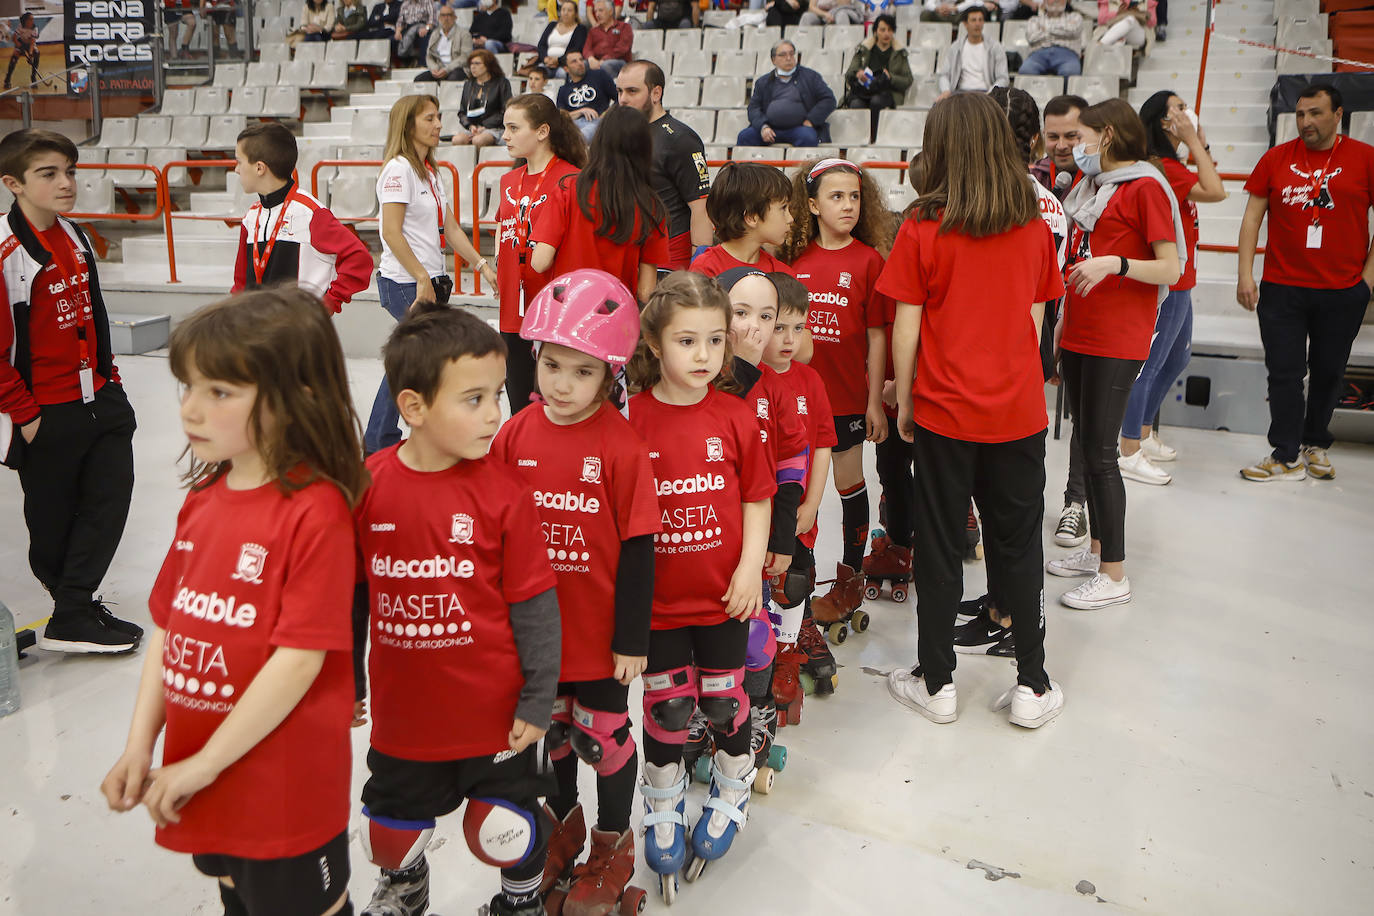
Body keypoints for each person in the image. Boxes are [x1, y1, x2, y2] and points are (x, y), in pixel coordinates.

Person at [100, 288, 367, 916]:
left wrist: (205, 765)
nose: (191, 409)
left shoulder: (316, 511)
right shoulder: (203, 500)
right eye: (187, 387)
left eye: (219, 392)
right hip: (203, 769)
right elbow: (168, 628)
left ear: (295, 397)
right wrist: (142, 744)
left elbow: (298, 660)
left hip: (280, 786)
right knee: (237, 900)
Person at [353, 305, 560, 916]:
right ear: (413, 408)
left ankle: (521, 899)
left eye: (497, 394)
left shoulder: (503, 493)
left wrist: (537, 699)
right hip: (405, 716)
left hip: (495, 716)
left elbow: (535, 605)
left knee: (507, 829)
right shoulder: (368, 486)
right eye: (473, 399)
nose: (495, 413)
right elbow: (352, 592)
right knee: (388, 832)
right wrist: (341, 676)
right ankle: (406, 884)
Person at [876, 93, 1065, 728]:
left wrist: (903, 393)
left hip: (944, 411)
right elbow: (1036, 327)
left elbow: (907, 329)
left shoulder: (922, 229)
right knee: (1018, 544)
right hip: (1017, 411)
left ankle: (937, 683)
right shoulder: (1036, 230)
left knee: (939, 542)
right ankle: (1033, 685)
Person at [489, 269, 660, 913]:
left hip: (599, 635)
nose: (562, 384)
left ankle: (614, 844)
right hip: (537, 634)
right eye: (552, 364)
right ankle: (564, 826)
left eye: (582, 372)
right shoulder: (514, 435)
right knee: (551, 734)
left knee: (603, 738)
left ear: (610, 374)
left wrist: (631, 641)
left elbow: (641, 549)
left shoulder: (620, 445)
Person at [626, 271, 775, 897]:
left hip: (723, 598)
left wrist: (748, 570)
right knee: (667, 708)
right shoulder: (630, 418)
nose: (705, 355)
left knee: (721, 700)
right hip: (657, 605)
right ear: (656, 345)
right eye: (688, 341)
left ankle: (734, 776)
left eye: (716, 341)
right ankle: (661, 798)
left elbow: (759, 499)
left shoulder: (735, 417)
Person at [0, 129, 141, 653]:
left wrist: (113, 383)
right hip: (45, 411)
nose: (67, 184)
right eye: (49, 174)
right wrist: (26, 414)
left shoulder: (76, 235)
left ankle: (75, 609)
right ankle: (71, 610)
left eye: (71, 172)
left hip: (99, 399)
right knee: (52, 521)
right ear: (13, 183)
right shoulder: (6, 251)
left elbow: (96, 317)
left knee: (108, 501)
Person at [1051, 98, 1182, 609]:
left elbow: (1169, 268)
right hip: (1082, 331)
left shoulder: (1145, 188)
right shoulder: (1089, 189)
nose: (1074, 147)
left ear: (1106, 136)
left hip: (1117, 337)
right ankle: (1097, 548)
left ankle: (1115, 574)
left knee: (1104, 458)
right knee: (1086, 446)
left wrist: (1117, 264)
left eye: (1080, 136)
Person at [953, 86, 1067, 658]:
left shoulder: (1029, 203)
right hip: (1005, 359)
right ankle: (1000, 604)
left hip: (1012, 362)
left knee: (1013, 512)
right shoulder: (1015, 195)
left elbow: (1033, 302)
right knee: (999, 505)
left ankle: (1021, 620)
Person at [780, 159, 894, 644]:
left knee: (849, 483)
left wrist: (874, 402)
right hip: (796, 402)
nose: (848, 205)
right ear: (811, 205)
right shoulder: (793, 259)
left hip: (847, 399)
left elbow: (876, 338)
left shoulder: (869, 260)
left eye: (854, 196)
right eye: (836, 197)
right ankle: (787, 579)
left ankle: (850, 578)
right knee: (796, 492)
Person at [1236, 83, 1374, 483]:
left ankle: (1315, 443)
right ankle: (1285, 452)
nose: (1306, 122)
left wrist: (1365, 282)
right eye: (1300, 114)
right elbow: (1251, 218)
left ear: (1338, 115)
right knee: (1284, 372)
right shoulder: (1276, 158)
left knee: (1329, 371)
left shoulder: (1364, 159)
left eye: (1315, 113)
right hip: (1282, 287)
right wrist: (1246, 274)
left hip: (1343, 290)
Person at [366, 94, 497, 454]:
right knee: (413, 358)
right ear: (408, 125)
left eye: (438, 117)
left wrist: (482, 265)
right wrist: (421, 276)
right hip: (406, 283)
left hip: (428, 282)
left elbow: (450, 227)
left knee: (414, 358)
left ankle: (385, 438)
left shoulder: (430, 171)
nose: (439, 124)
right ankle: (378, 441)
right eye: (429, 118)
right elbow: (390, 232)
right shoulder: (398, 170)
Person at [1116, 91, 1224, 485]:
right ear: (1163, 122)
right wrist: (1195, 142)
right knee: (1151, 363)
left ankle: (1143, 431)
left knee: (1176, 360)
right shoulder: (1163, 167)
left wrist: (1199, 143)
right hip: (1170, 280)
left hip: (1184, 278)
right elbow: (1216, 191)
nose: (1185, 112)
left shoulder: (1174, 163)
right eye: (1177, 108)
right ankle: (1128, 447)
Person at [761, 271, 838, 698]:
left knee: (794, 583)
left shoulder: (811, 382)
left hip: (798, 513)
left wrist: (812, 503)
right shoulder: (746, 382)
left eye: (799, 328)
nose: (789, 339)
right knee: (758, 589)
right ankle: (756, 659)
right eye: (778, 328)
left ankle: (786, 659)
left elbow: (824, 444)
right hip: (758, 514)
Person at [496, 93, 586, 414]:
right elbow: (503, 229)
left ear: (542, 131)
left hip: (553, 308)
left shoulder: (570, 179)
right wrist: (497, 269)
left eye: (513, 127)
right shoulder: (509, 179)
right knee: (519, 399)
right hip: (513, 304)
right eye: (504, 127)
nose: (504, 136)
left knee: (553, 400)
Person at [1029, 93, 1092, 549]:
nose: (1062, 145)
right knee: (1030, 415)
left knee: (1087, 415)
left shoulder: (1103, 183)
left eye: (1071, 135)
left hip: (1089, 309)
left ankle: (1076, 502)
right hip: (1039, 311)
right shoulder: (1028, 181)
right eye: (1053, 136)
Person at [230, 122, 373, 310]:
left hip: (299, 331)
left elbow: (359, 259)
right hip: (256, 328)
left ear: (259, 168)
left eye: (239, 162)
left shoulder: (311, 213)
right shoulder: (251, 217)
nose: (236, 169)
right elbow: (241, 281)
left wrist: (329, 302)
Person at [531, 106, 667, 303]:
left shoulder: (567, 188)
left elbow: (539, 262)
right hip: (614, 314)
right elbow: (646, 292)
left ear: (599, 140)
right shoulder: (650, 205)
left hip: (567, 309)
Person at [616, 60, 712, 270]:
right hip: (628, 252)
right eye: (620, 91)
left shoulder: (681, 139)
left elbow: (700, 208)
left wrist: (700, 267)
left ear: (656, 93)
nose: (623, 99)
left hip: (669, 257)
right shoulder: (618, 134)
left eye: (632, 91)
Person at [691, 163, 794, 277]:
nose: (790, 219)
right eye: (783, 208)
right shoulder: (706, 269)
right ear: (751, 217)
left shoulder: (782, 274)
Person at [738, 41, 837, 148]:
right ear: (773, 60)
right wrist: (763, 127)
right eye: (783, 55)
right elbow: (753, 108)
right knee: (745, 136)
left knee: (808, 137)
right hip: (770, 129)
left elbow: (829, 100)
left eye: (791, 54)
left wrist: (811, 120)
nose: (789, 58)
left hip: (800, 129)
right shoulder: (763, 82)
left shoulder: (810, 77)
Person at [842, 14, 914, 142]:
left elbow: (908, 80)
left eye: (890, 30)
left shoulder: (899, 52)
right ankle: (858, 140)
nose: (886, 33)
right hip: (863, 91)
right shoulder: (863, 50)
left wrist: (891, 77)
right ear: (875, 32)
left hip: (888, 92)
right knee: (856, 103)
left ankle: (874, 139)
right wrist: (858, 74)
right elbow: (849, 74)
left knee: (876, 101)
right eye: (882, 30)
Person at [936, 8, 1009, 101]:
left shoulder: (995, 47)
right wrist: (946, 91)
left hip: (986, 93)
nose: (977, 24)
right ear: (965, 24)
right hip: (960, 93)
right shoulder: (955, 47)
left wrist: (991, 92)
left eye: (980, 20)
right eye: (973, 20)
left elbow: (1003, 78)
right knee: (937, 107)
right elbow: (944, 75)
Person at [452, 50, 513, 144]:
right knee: (457, 140)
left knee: (479, 140)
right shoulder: (468, 84)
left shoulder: (501, 83)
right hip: (473, 128)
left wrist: (485, 127)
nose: (473, 67)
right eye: (471, 63)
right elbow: (462, 112)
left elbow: (505, 110)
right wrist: (470, 126)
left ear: (488, 65)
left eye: (477, 63)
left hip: (494, 127)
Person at [557, 50, 617, 142]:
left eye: (581, 59)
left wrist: (606, 114)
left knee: (587, 131)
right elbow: (561, 116)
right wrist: (581, 111)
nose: (580, 63)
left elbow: (619, 98)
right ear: (566, 69)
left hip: (598, 121)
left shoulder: (599, 75)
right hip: (574, 124)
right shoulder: (563, 89)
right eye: (574, 61)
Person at [519, 0, 587, 77]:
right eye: (563, 10)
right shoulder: (552, 25)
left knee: (562, 74)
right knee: (537, 73)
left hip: (565, 64)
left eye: (569, 10)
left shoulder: (580, 29)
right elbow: (541, 45)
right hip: (547, 62)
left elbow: (576, 49)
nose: (565, 13)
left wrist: (558, 60)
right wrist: (545, 58)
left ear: (575, 14)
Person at [1019, 0, 1085, 77]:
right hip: (1038, 54)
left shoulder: (1075, 17)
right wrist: (1062, 30)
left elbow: (1073, 31)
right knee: (1026, 70)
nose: (1056, 1)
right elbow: (1031, 37)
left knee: (1070, 72)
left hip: (1067, 54)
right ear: (1045, 1)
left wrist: (1045, 29)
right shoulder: (1034, 20)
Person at [415, 4, 472, 81]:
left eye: (449, 15)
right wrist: (434, 69)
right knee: (419, 79)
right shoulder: (435, 34)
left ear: (455, 17)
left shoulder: (464, 34)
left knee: (452, 78)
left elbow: (465, 57)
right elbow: (429, 56)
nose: (446, 18)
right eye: (443, 15)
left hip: (457, 68)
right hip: (438, 69)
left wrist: (447, 69)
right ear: (439, 18)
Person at [584, 0, 632, 81]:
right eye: (595, 11)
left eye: (601, 10)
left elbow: (622, 48)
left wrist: (604, 59)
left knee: (606, 65)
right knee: (579, 65)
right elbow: (586, 48)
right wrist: (591, 58)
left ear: (610, 11)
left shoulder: (624, 27)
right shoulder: (593, 30)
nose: (597, 14)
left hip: (618, 61)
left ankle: (610, 90)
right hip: (596, 61)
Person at [396, 0, 438, 66]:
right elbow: (400, 22)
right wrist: (398, 32)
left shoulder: (428, 2)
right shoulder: (405, 4)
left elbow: (433, 21)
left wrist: (426, 28)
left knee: (425, 37)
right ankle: (406, 61)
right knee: (394, 39)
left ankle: (423, 64)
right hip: (408, 28)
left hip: (423, 26)